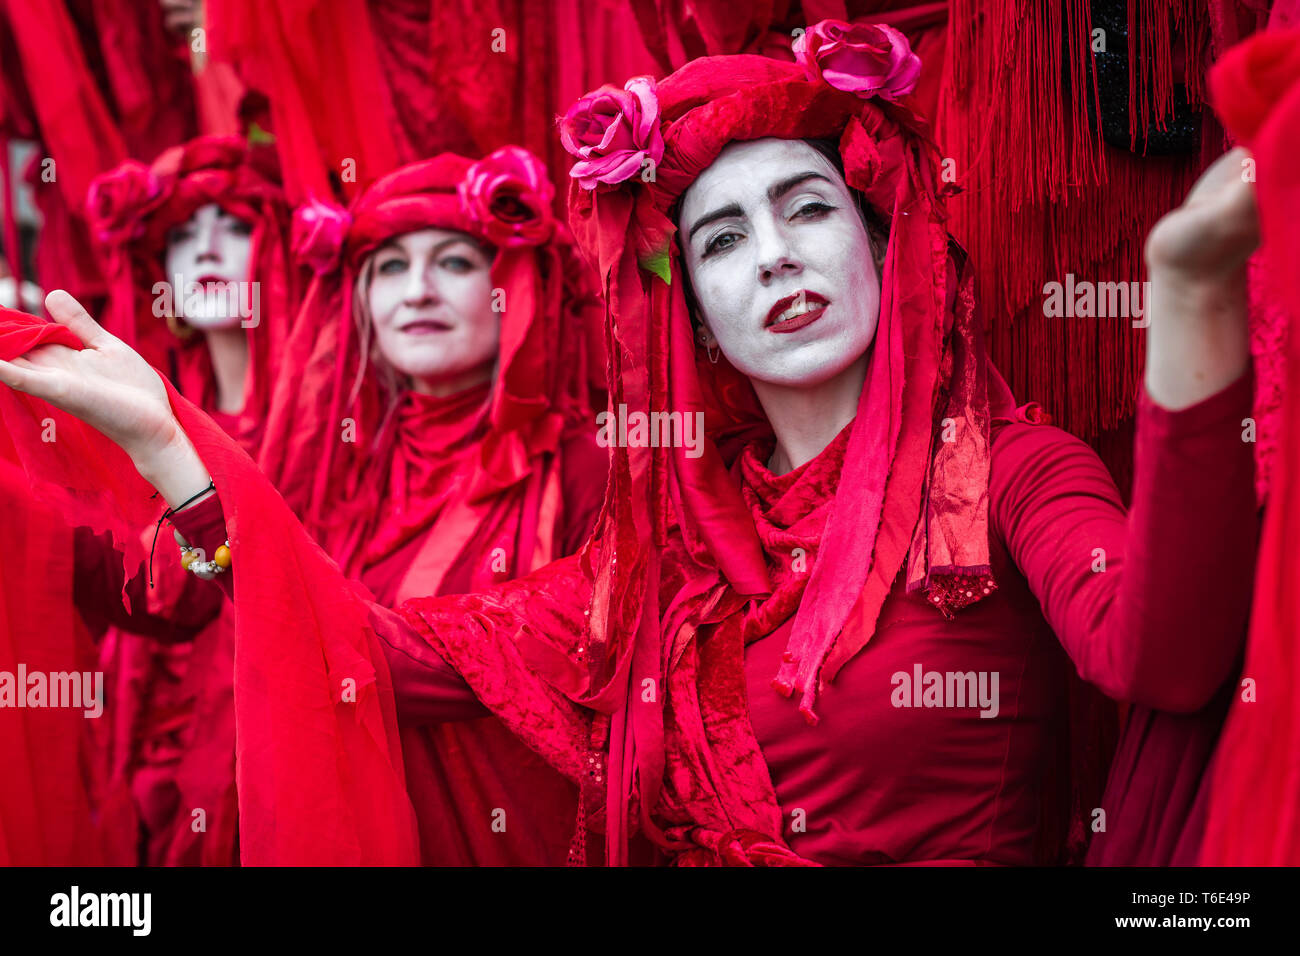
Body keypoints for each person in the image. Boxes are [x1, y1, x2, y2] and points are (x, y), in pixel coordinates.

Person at [0, 20, 1262, 866]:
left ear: (885, 246)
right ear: (696, 314)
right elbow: (355, 648)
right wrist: (176, 450)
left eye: (807, 208)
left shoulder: (1009, 471)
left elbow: (1167, 655)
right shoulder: (657, 564)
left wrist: (1188, 296)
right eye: (719, 239)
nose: (771, 253)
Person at [247, 150, 606, 864]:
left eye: (455, 262)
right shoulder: (344, 468)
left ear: (516, 282)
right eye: (389, 267)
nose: (416, 292)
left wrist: (226, 542)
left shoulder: (588, 466)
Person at [76, 136, 292, 864]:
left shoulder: (326, 424)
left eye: (234, 227)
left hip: (269, 735)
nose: (206, 253)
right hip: (147, 722)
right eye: (182, 235)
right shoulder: (129, 417)